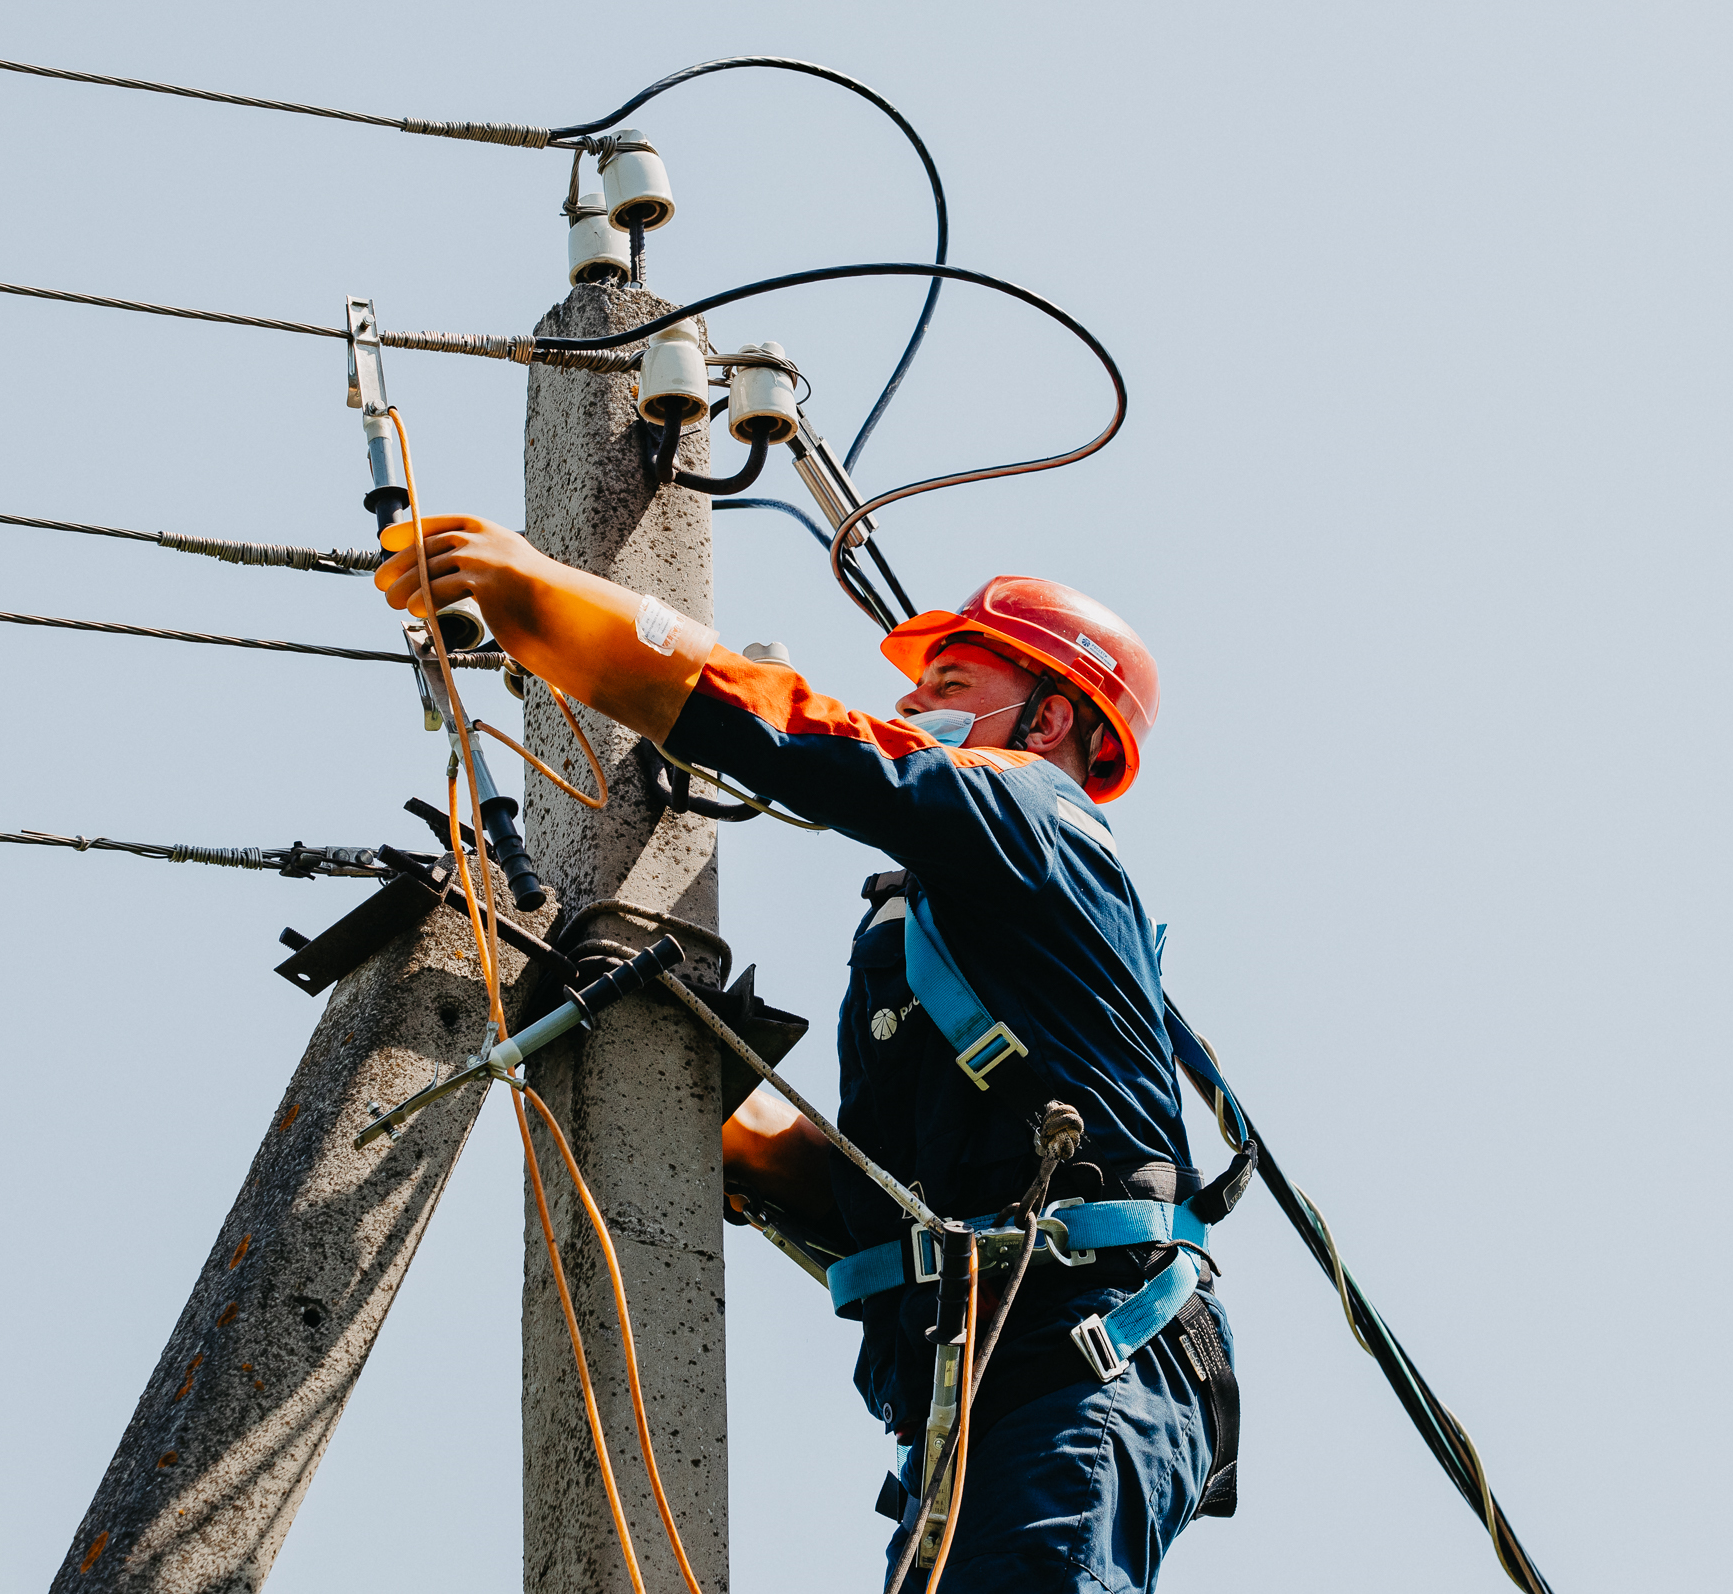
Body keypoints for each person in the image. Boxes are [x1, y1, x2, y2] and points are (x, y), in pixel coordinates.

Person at [377, 518, 1238, 1593]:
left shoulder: (1035, 815)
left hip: (1075, 1368)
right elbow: (897, 1194)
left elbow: (806, 735)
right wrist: (709, 1113)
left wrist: (546, 598)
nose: (912, 706)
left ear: (1050, 715)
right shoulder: (950, 938)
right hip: (981, 1410)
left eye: (950, 680)